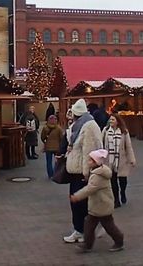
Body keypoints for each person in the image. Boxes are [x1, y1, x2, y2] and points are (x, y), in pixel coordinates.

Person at [70, 149, 124, 254]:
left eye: (90, 160)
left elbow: (90, 189)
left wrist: (76, 196)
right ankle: (87, 245)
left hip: (101, 205)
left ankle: (119, 241)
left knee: (108, 226)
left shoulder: (98, 175)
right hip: (98, 205)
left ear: (96, 162)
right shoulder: (97, 172)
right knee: (90, 224)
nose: (88, 162)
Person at [63, 98, 102, 243]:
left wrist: (87, 172)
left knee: (81, 203)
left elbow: (89, 151)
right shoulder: (78, 125)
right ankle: (80, 229)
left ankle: (84, 230)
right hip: (75, 170)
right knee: (76, 203)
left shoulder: (88, 126)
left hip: (82, 172)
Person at [101, 115, 136, 208]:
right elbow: (101, 144)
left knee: (122, 180)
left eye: (113, 119)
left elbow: (128, 146)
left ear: (118, 121)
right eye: (110, 119)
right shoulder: (105, 131)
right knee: (113, 181)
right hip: (109, 160)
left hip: (121, 160)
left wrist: (132, 159)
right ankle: (116, 200)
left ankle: (123, 192)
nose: (110, 121)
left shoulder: (124, 132)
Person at [41, 114, 64, 179]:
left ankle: (50, 175)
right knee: (57, 161)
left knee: (49, 162)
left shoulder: (45, 128)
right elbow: (62, 138)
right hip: (57, 147)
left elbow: (42, 137)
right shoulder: (59, 128)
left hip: (48, 147)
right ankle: (56, 173)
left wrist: (45, 142)